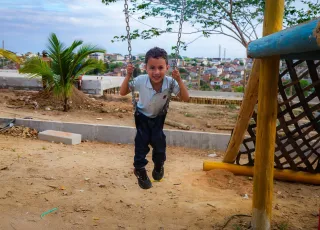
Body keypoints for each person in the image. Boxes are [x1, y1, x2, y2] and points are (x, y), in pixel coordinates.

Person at [120, 47, 189, 189]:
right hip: (142, 117)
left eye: (160, 68)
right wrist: (128, 75)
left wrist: (179, 80)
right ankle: (139, 169)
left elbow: (186, 98)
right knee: (141, 143)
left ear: (167, 68)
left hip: (158, 118)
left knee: (159, 144)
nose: (156, 72)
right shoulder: (140, 80)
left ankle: (158, 165)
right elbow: (122, 92)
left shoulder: (170, 82)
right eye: (152, 68)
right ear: (145, 68)